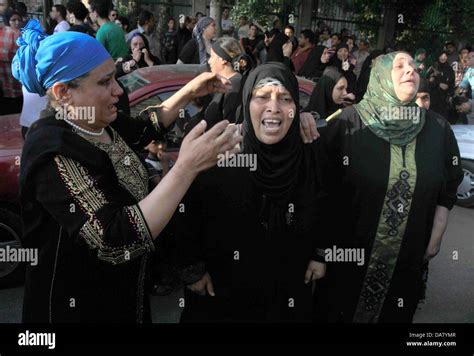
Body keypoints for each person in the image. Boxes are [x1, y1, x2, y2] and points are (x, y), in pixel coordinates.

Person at [13, 19, 242, 323]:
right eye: (104, 82)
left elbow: (147, 128)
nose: (117, 90)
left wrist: (190, 90)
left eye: (114, 78)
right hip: (79, 306)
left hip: (126, 293)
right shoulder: (51, 149)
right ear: (63, 92)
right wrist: (186, 167)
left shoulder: (98, 120)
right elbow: (113, 237)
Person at [169, 63, 326, 323]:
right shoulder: (221, 152)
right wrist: (192, 270)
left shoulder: (308, 151)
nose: (274, 107)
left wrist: (318, 255)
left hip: (284, 289)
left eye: (285, 99)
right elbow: (186, 212)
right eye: (262, 97)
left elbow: (320, 205)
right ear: (246, 102)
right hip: (223, 290)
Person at [314, 52, 463, 323]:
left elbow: (449, 184)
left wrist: (437, 232)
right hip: (349, 259)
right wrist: (319, 253)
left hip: (406, 261)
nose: (411, 71)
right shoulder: (347, 124)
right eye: (399, 66)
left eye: (414, 67)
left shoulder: (437, 129)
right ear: (381, 76)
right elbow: (319, 191)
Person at [0, 8, 22, 115]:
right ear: (7, 20)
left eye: (19, 20)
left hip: (5, 85)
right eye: (14, 20)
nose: (17, 23)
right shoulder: (16, 34)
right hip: (15, 84)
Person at [427, 51, 455, 120]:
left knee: (443, 116)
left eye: (445, 56)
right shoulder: (433, 67)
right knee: (433, 115)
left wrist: (451, 94)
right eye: (441, 56)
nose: (443, 58)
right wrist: (438, 84)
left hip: (445, 97)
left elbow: (452, 82)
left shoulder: (449, 68)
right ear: (438, 57)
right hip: (434, 95)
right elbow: (428, 81)